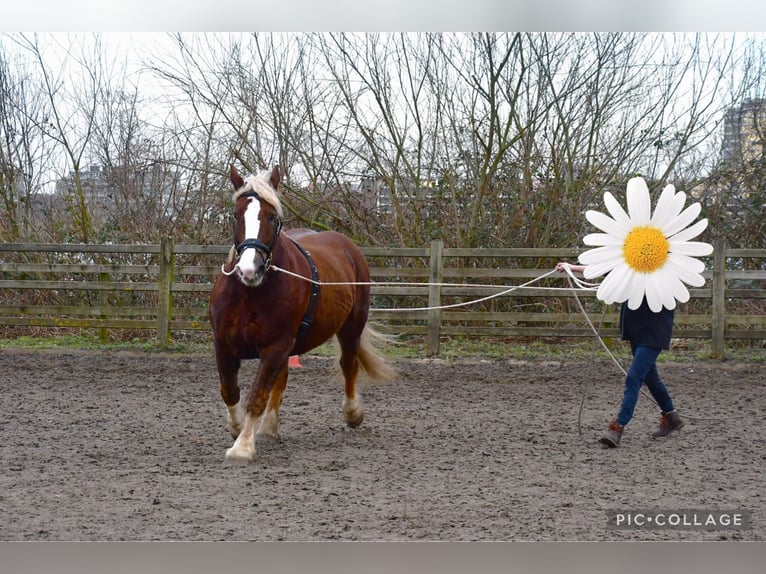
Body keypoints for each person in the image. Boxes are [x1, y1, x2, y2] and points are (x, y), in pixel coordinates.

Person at [555, 262, 685, 447]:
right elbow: (604, 267)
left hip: (655, 333)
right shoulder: (632, 266)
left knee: (634, 378)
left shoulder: (668, 272)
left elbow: (650, 292)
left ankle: (617, 427)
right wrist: (571, 267)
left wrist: (623, 283)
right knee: (650, 377)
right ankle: (671, 416)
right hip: (637, 329)